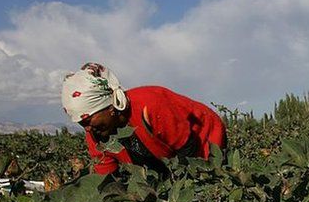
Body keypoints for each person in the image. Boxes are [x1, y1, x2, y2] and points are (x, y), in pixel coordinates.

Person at [61, 63, 226, 175]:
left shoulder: (150, 105)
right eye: (82, 124)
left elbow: (187, 148)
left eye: (88, 120)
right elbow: (105, 174)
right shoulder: (97, 133)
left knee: (206, 179)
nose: (87, 129)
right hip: (163, 154)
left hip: (203, 137)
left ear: (109, 106)